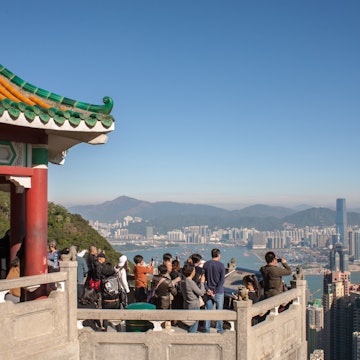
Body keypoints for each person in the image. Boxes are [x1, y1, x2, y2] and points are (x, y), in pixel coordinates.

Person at [203, 248, 225, 333]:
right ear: (218, 255)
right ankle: (219, 329)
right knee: (219, 312)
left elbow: (203, 280)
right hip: (218, 292)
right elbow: (222, 281)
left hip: (208, 292)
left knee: (208, 311)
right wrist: (215, 291)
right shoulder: (221, 265)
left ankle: (207, 329)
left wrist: (208, 289)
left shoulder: (206, 264)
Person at [180, 263, 206, 333]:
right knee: (193, 327)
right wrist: (202, 282)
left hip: (186, 304)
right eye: (194, 270)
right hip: (194, 305)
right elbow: (201, 293)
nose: (195, 272)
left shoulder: (182, 282)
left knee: (189, 326)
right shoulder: (190, 282)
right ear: (191, 272)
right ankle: (191, 341)